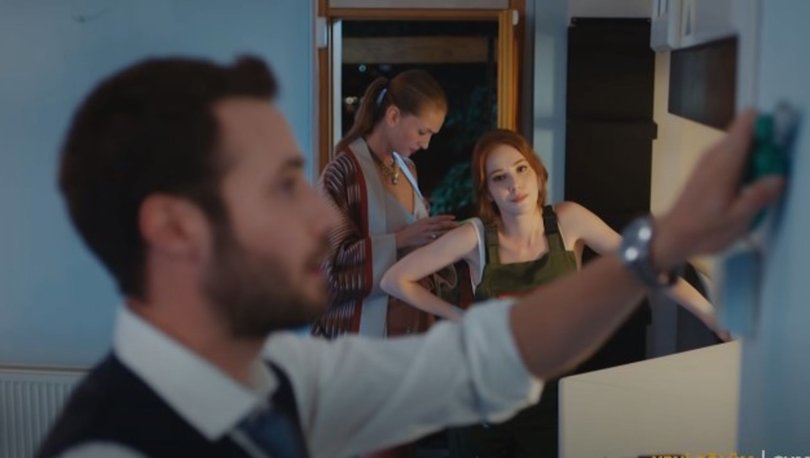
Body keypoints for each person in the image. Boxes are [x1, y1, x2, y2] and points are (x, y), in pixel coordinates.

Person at [38, 55, 783, 458]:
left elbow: (494, 354)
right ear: (174, 228)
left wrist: (664, 246)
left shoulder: (293, 378)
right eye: (283, 186)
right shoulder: (113, 446)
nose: (317, 215)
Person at [381, 129, 724, 457]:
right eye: (499, 178)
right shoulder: (475, 237)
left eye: (521, 169)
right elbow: (395, 280)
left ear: (537, 173)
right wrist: (461, 316)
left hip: (553, 394)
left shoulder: (568, 220)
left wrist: (710, 314)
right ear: (488, 192)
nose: (515, 185)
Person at [311, 69, 458, 339]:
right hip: (357, 338)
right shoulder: (341, 173)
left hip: (411, 328)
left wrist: (439, 241)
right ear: (392, 116)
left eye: (431, 135)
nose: (426, 144)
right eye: (422, 131)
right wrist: (402, 239)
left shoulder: (408, 170)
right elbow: (332, 267)